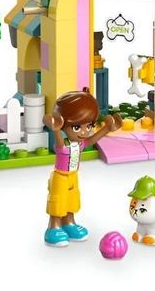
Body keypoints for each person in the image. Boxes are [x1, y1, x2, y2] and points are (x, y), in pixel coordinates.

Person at [43, 90, 122, 247]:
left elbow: (92, 140)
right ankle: (54, 227)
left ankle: (69, 223)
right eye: (77, 127)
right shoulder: (63, 145)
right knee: (58, 201)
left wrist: (107, 128)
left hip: (73, 176)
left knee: (72, 200)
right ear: (63, 125)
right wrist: (56, 129)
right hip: (60, 177)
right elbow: (59, 141)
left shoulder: (80, 143)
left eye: (89, 125)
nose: (85, 132)